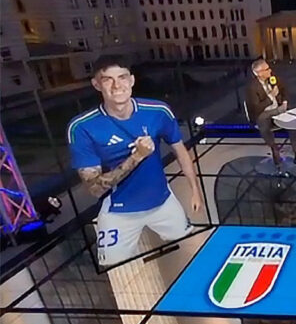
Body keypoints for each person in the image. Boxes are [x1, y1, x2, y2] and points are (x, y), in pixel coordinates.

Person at [67, 55, 202, 266]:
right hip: (119, 212)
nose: (116, 85)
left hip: (162, 201)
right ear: (96, 84)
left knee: (190, 248)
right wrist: (137, 156)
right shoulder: (82, 127)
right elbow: (94, 189)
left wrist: (195, 189)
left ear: (131, 80)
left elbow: (180, 150)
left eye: (122, 77)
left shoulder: (157, 111)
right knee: (115, 266)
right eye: (107, 79)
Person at [244, 58, 296, 171]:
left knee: (292, 121)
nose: (270, 71)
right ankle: (274, 149)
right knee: (262, 119)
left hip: (278, 109)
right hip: (263, 113)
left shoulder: (273, 79)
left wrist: (284, 102)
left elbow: (284, 91)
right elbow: (256, 108)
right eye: (267, 69)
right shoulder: (252, 88)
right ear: (259, 73)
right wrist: (270, 96)